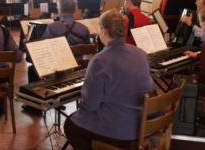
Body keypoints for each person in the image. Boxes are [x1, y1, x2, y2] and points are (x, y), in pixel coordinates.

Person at [64, 10, 156, 150]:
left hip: (122, 132)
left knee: (71, 125)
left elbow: (90, 105)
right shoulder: (141, 53)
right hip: (144, 124)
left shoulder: (99, 60)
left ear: (103, 31)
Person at [27, 0, 90, 83]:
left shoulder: (52, 27)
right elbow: (88, 50)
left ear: (59, 10)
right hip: (79, 69)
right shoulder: (84, 28)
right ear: (74, 10)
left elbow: (43, 49)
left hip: (59, 72)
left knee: (31, 69)